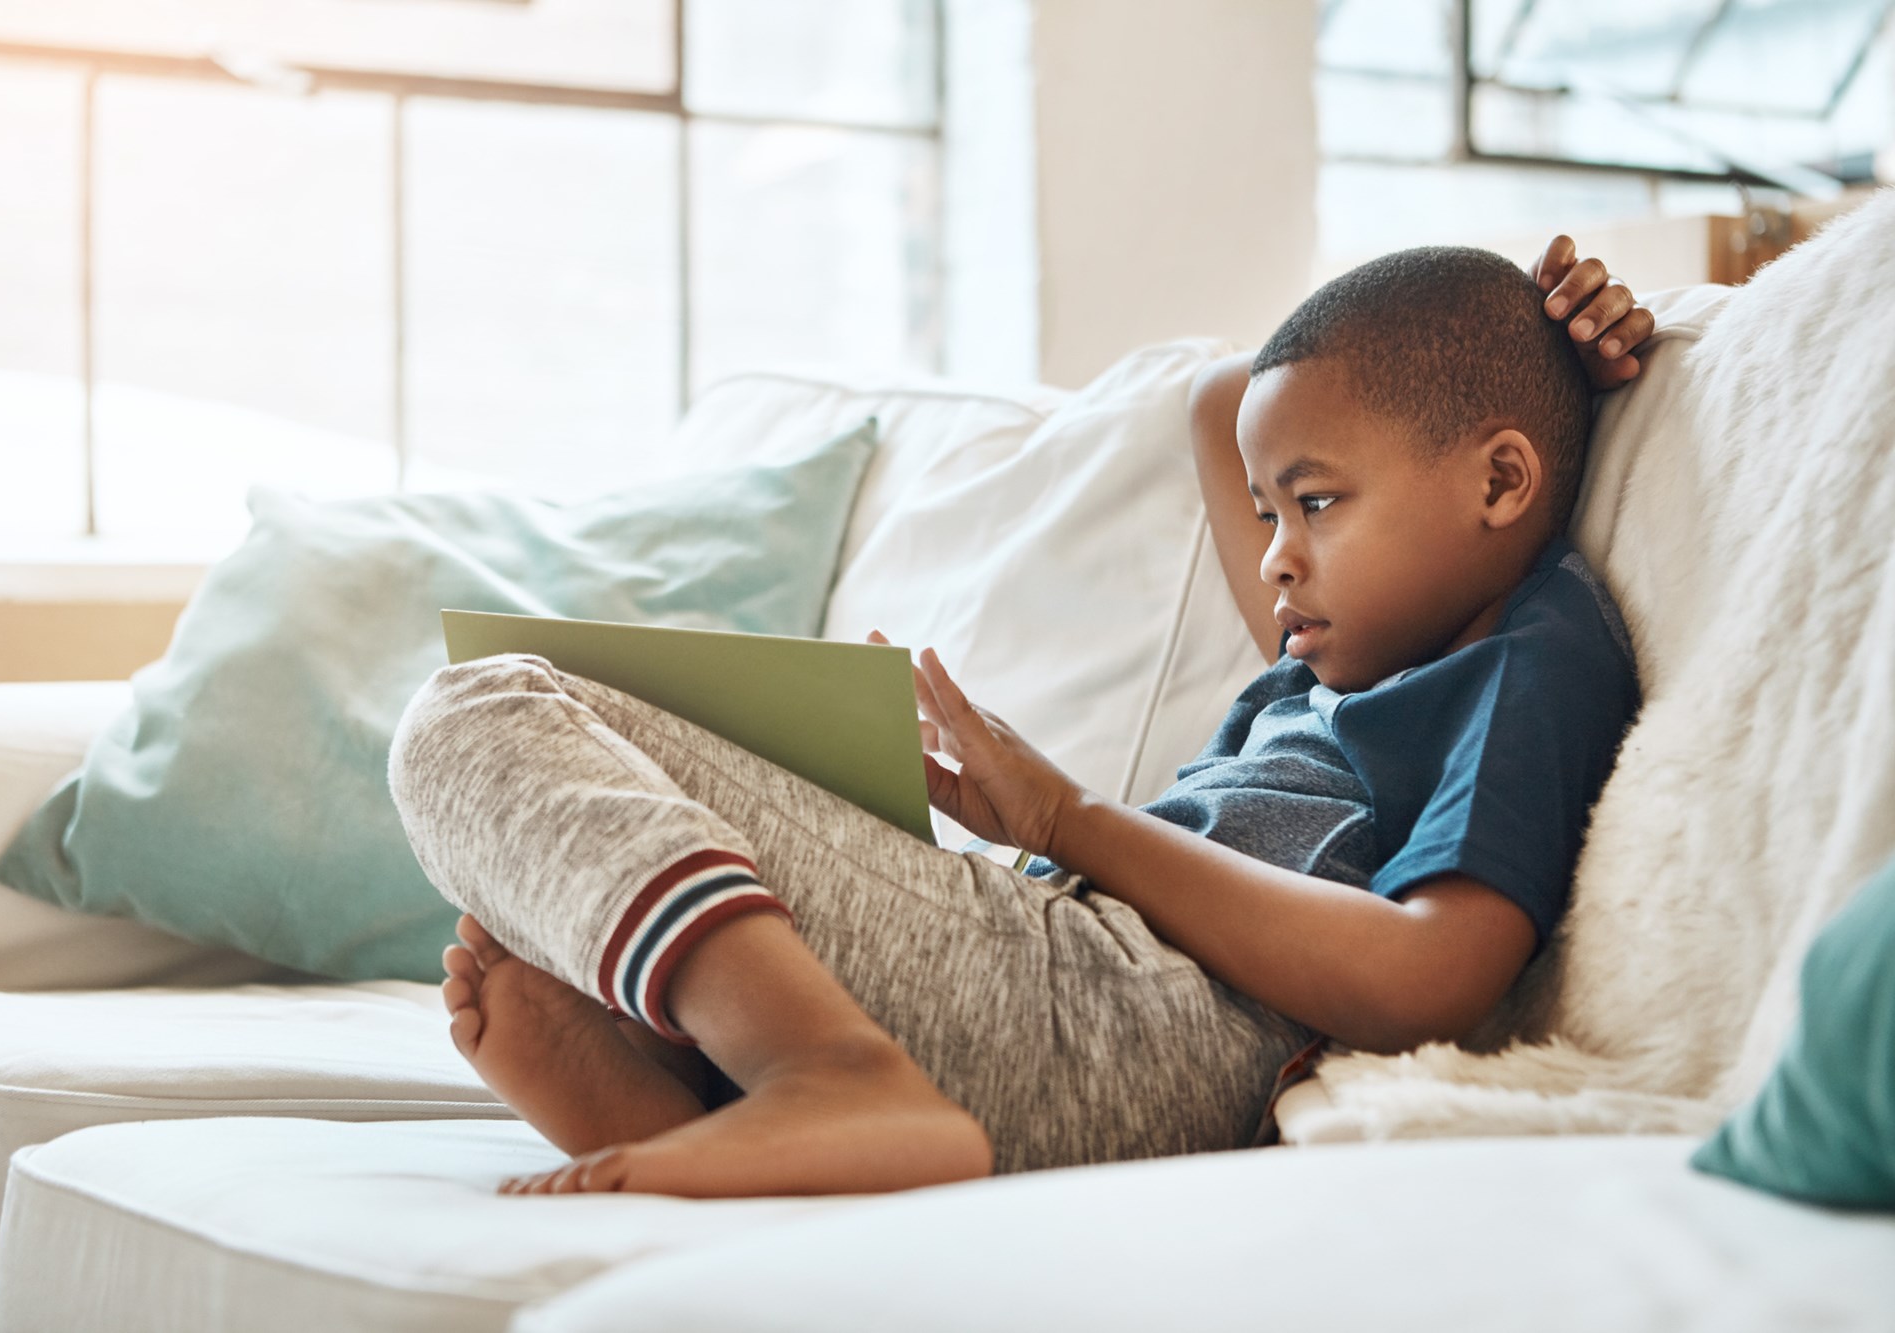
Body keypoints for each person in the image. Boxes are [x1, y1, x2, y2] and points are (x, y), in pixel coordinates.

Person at [387, 235, 1652, 1199]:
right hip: (1057, 998)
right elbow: (1226, 402)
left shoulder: (1523, 650)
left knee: (479, 711)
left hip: (1126, 1016)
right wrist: (1530, 336)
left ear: (1497, 479)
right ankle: (712, 1107)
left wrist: (1068, 817)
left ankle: (826, 1075)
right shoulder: (1335, 656)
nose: (1270, 558)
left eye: (1313, 504)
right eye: (1266, 514)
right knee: (548, 861)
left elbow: (1422, 980)